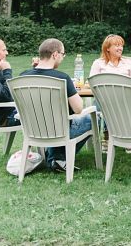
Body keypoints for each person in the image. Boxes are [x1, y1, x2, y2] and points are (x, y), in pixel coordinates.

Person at [20, 38, 92, 172]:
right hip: (59, 130)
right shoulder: (62, 78)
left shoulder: (23, 76)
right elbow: (78, 108)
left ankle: (53, 157)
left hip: (33, 129)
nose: (62, 58)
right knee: (92, 119)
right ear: (55, 54)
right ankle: (59, 158)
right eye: (63, 54)